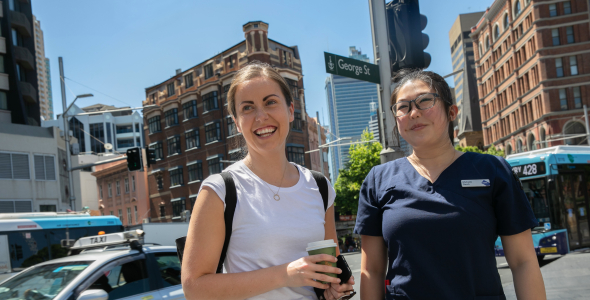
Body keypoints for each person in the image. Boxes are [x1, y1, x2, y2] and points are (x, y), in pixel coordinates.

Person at [354, 69, 546, 299]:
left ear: (452, 111)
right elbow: (371, 271)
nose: (414, 112)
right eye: (403, 107)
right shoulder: (378, 180)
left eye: (425, 101)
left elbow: (523, 262)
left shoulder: (493, 171)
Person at [181, 62, 354, 300]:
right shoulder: (220, 190)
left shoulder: (320, 187)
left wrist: (333, 291)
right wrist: (285, 274)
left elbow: (327, 272)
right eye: (248, 108)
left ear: (291, 110)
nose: (261, 116)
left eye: (270, 102)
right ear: (237, 122)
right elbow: (194, 287)